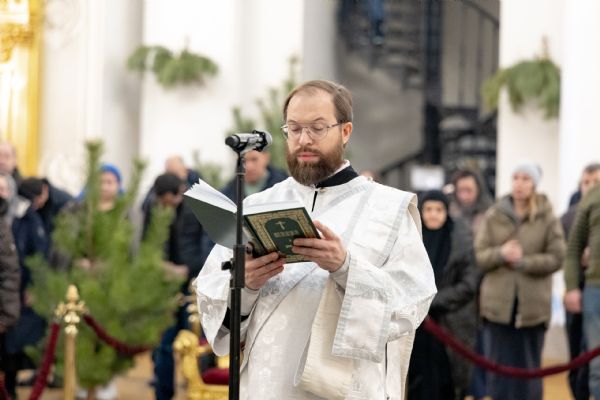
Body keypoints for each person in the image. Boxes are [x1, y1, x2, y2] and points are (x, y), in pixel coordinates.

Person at [194, 80, 436, 399]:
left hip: (344, 389)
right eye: (294, 129)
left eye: (317, 128)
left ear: (345, 131)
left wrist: (345, 267)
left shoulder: (388, 209)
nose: (304, 139)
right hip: (268, 386)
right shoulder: (255, 206)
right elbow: (214, 301)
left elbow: (412, 301)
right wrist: (246, 285)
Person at [475, 162, 565, 400]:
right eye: (516, 177)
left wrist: (526, 262)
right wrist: (501, 254)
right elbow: (480, 256)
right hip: (497, 307)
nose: (519, 184)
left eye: (525, 179)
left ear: (534, 184)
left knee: (529, 370)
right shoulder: (494, 215)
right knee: (498, 371)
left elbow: (558, 257)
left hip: (532, 309)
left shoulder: (547, 217)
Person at [408, 190, 479, 400]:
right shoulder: (411, 240)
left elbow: (469, 283)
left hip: (450, 324)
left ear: (446, 212)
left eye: (439, 210)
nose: (433, 214)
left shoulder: (461, 242)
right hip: (416, 324)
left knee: (446, 382)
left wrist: (432, 300)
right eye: (428, 209)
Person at [146, 173, 211, 400]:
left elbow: (208, 245)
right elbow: (149, 242)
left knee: (195, 343)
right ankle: (163, 394)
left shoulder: (198, 207)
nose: (168, 207)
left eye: (171, 201)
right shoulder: (154, 209)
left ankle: (198, 392)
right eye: (163, 203)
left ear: (179, 193)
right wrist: (159, 264)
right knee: (163, 344)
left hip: (193, 286)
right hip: (165, 286)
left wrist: (187, 268)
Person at [561, 163, 600, 400]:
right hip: (593, 289)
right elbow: (572, 249)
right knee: (594, 364)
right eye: (587, 182)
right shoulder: (589, 202)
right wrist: (572, 287)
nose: (592, 186)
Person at [220, 149, 287, 201]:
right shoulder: (226, 196)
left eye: (254, 159)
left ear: (266, 158)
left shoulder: (285, 187)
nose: (249, 167)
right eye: (243, 161)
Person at [448, 169, 493, 237]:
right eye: (460, 191)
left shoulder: (490, 214)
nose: (464, 196)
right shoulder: (449, 213)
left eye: (469, 190)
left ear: (478, 190)